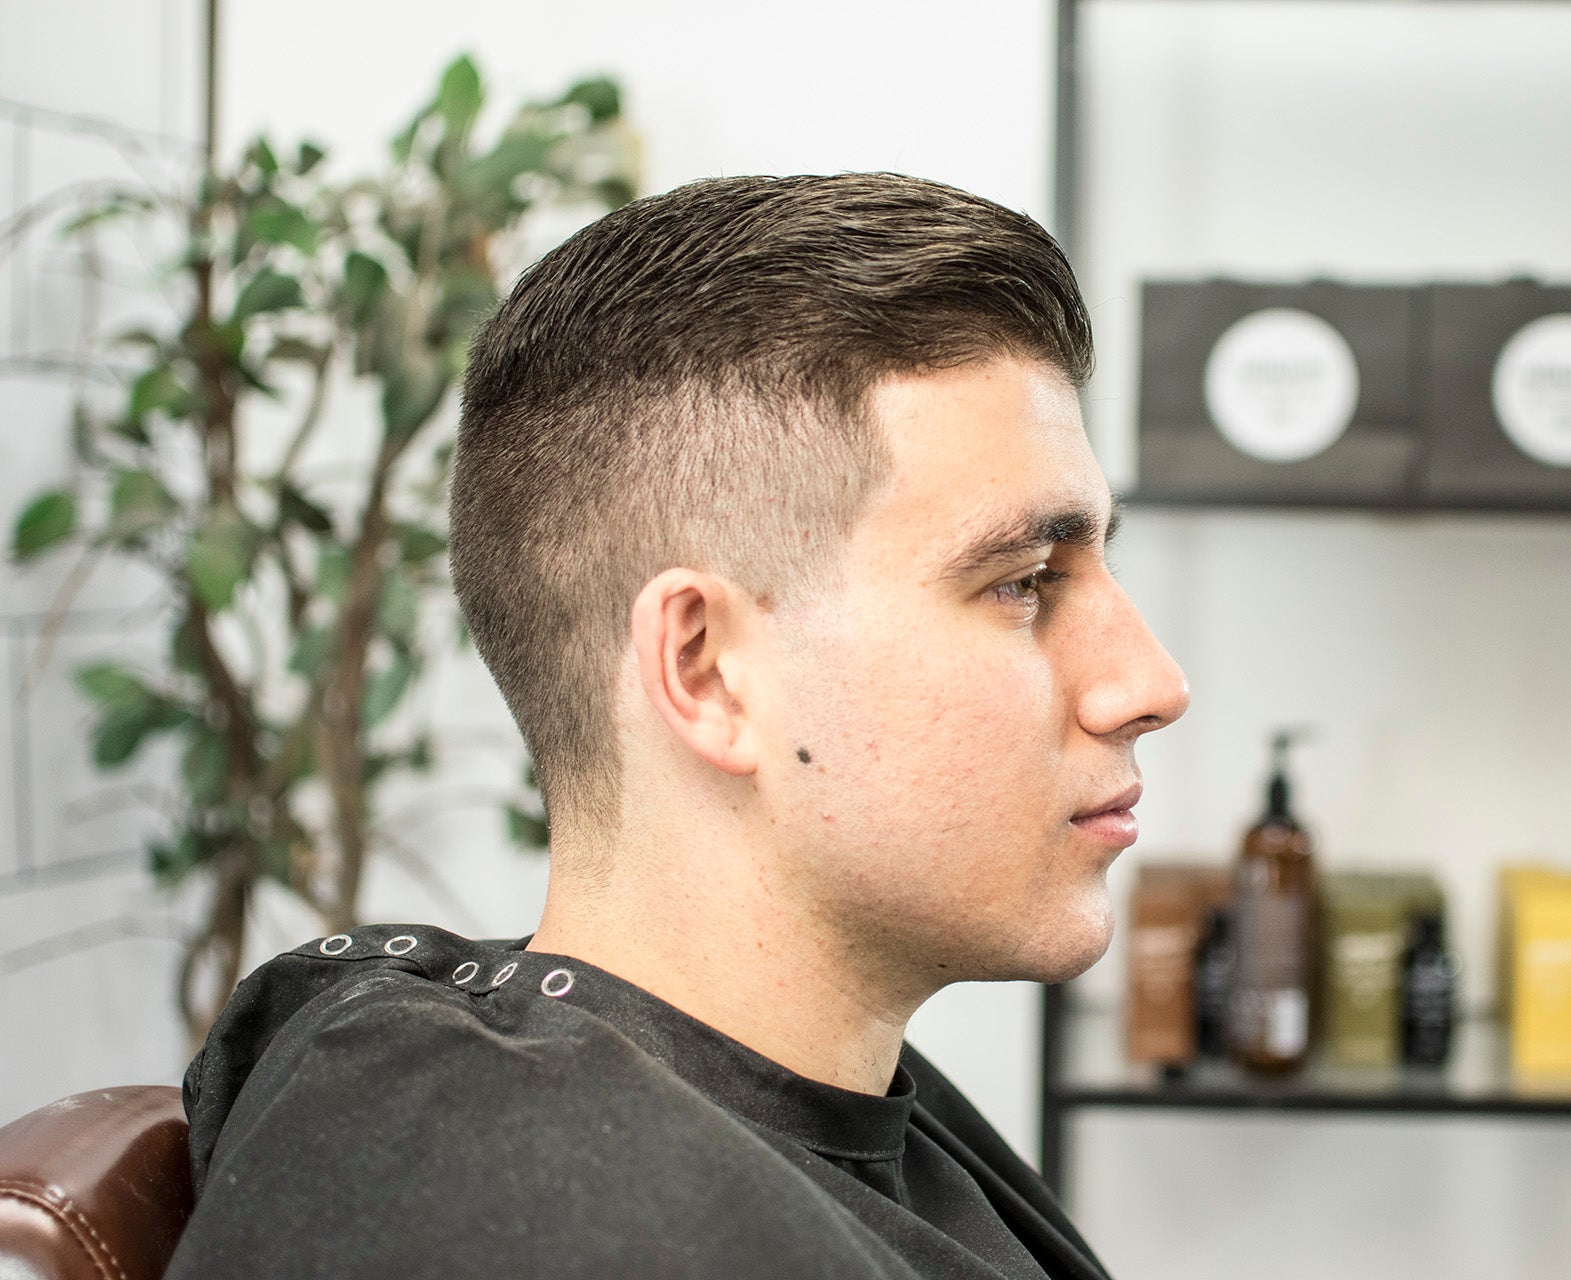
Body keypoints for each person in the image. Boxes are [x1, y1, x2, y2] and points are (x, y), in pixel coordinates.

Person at [164, 172, 1189, 1279]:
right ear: (705, 668)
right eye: (1025, 578)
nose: (1149, 682)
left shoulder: (783, 1110)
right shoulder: (554, 1230)